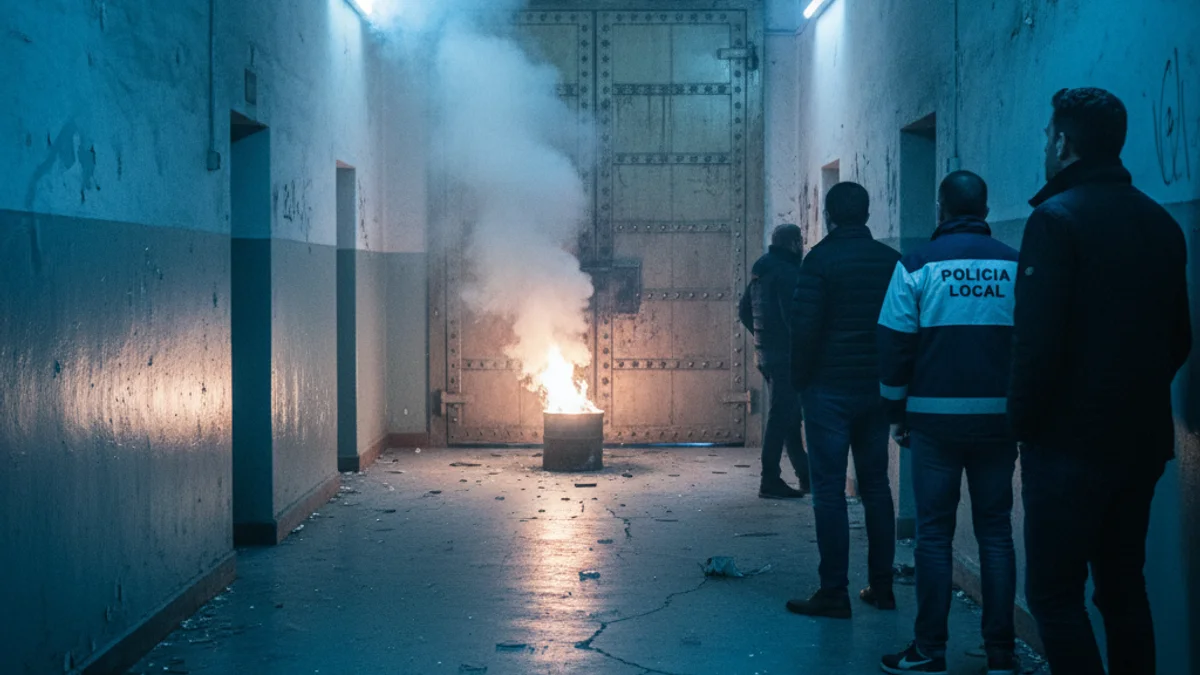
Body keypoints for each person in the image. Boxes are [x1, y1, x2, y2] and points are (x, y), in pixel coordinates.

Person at [1009, 87, 1191, 675]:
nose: (1044, 145)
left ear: (1062, 143)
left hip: (1067, 446)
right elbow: (1180, 339)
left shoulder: (1055, 220)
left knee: (1054, 596)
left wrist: (1024, 428)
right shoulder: (1162, 223)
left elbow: (1037, 346)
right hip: (1139, 442)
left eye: (1046, 136)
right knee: (1122, 589)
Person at [876, 172, 1020, 675]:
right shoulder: (1015, 264)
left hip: (934, 424)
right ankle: (1002, 655)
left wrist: (896, 412)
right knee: (996, 533)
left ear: (940, 208)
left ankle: (929, 651)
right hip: (999, 423)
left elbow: (894, 346)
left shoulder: (916, 265)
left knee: (933, 535)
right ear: (984, 207)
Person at [785, 182, 900, 618]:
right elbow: (903, 326)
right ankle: (883, 587)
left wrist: (800, 385)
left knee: (829, 492)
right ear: (867, 214)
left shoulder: (818, 262)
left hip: (829, 392)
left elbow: (805, 330)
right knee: (876, 488)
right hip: (876, 389)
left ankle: (834, 591)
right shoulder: (892, 262)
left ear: (829, 217)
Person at [739, 224, 811, 499]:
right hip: (786, 357)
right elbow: (794, 318)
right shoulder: (788, 272)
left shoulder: (762, 270)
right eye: (800, 241)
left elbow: (744, 310)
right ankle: (769, 480)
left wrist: (762, 337)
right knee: (782, 417)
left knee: (789, 417)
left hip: (767, 354)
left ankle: (805, 476)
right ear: (794, 243)